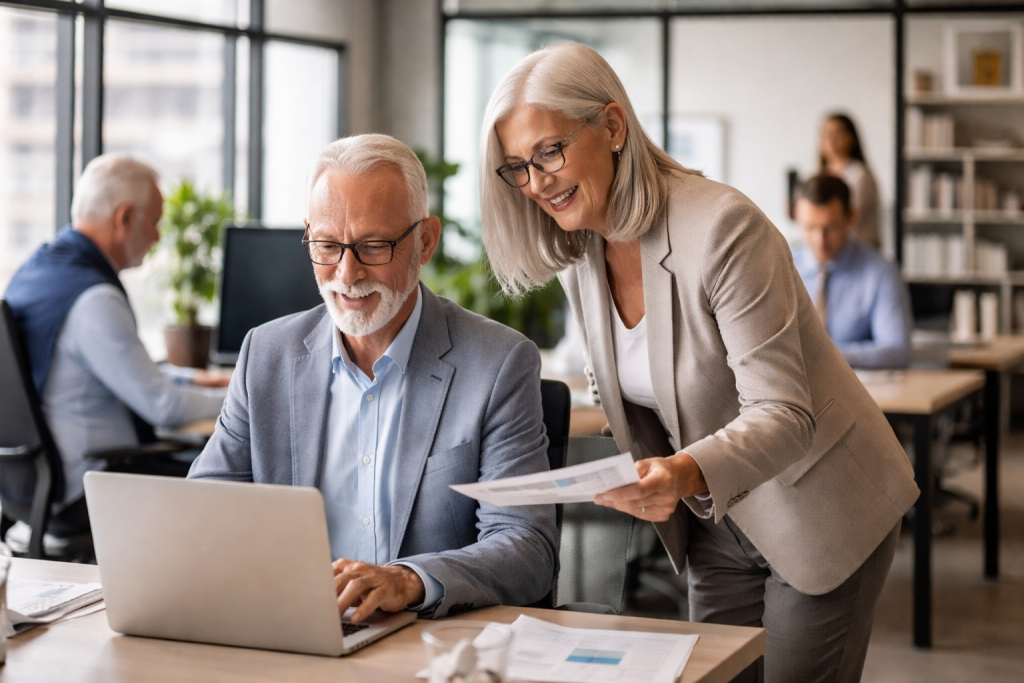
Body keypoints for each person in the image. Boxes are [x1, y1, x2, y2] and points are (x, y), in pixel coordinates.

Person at [479, 42, 918, 683]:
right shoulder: (580, 255)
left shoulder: (720, 228)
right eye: (518, 166)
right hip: (718, 514)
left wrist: (681, 472)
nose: (538, 181)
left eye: (550, 151)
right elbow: (628, 390)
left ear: (612, 126)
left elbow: (783, 411)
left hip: (820, 501)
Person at [188, 134, 557, 623]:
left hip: (427, 644)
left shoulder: (498, 362)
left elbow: (526, 546)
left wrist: (408, 581)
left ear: (425, 240)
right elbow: (201, 510)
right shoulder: (266, 355)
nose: (347, 273)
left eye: (373, 246)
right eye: (327, 246)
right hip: (288, 632)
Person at [3, 154, 227, 535]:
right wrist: (252, 395)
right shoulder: (94, 299)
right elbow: (164, 406)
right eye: (155, 222)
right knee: (238, 483)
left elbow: (120, 370)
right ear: (125, 219)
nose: (158, 236)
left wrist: (195, 378)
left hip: (27, 491)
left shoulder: (39, 273)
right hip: (94, 489)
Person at [793, 174, 912, 369]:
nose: (819, 240)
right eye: (810, 228)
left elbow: (897, 350)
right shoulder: (781, 267)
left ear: (851, 218)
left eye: (830, 228)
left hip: (859, 392)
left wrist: (822, 356)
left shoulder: (881, 272)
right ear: (797, 216)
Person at [819, 112, 881, 249]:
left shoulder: (860, 175)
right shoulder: (820, 174)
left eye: (836, 134)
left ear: (851, 138)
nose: (830, 140)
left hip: (859, 251)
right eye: (825, 134)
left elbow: (849, 220)